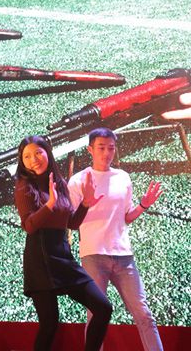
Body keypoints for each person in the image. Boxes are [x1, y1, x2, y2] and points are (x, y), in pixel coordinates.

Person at [68, 128, 164, 351]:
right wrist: (86, 204)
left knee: (144, 314)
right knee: (95, 316)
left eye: (111, 148)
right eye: (101, 148)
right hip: (93, 255)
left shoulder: (122, 177)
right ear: (90, 149)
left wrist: (143, 205)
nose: (106, 153)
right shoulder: (78, 180)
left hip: (123, 256)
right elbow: (71, 221)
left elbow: (126, 217)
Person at [14, 136, 112, 351]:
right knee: (49, 324)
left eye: (38, 153)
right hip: (40, 259)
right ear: (22, 161)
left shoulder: (60, 184)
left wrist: (86, 203)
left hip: (63, 256)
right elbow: (29, 226)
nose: (34, 159)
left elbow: (72, 223)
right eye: (27, 156)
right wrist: (49, 204)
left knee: (103, 308)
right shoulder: (24, 186)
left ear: (48, 153)